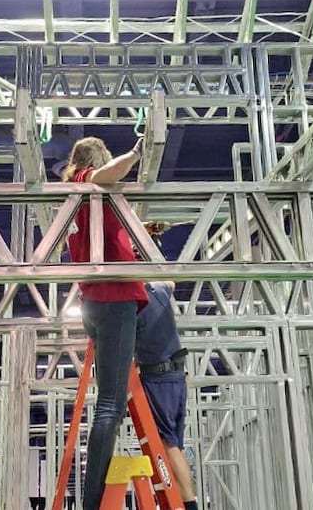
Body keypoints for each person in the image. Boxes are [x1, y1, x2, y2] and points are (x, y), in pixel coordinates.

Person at [63, 135, 147, 510]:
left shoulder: (81, 199)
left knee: (109, 401)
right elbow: (106, 174)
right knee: (110, 405)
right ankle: (93, 502)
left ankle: (92, 497)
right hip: (113, 299)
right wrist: (135, 154)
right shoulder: (85, 180)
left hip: (98, 303)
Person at [136, 280, 200, 510]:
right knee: (175, 445)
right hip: (176, 376)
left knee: (169, 443)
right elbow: (171, 282)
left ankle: (190, 505)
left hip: (159, 379)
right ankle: (183, 501)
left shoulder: (133, 305)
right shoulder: (158, 291)